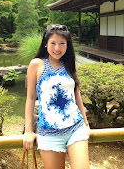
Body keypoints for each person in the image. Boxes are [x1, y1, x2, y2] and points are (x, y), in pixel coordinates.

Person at [23, 24, 90, 169]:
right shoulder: (36, 65)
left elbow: (76, 94)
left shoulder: (70, 64)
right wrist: (28, 130)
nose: (57, 48)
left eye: (62, 44)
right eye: (53, 43)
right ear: (46, 44)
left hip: (75, 128)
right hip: (48, 134)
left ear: (67, 46)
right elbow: (30, 98)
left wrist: (85, 123)